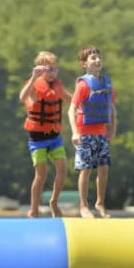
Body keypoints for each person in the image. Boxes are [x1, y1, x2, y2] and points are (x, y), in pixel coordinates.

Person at [19, 51, 72, 218]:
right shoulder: (34, 87)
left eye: (56, 69)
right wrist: (34, 77)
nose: (54, 73)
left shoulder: (57, 85)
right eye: (50, 69)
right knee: (41, 175)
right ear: (41, 70)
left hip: (54, 137)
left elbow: (70, 98)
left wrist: (85, 101)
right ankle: (33, 209)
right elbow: (23, 96)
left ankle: (54, 202)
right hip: (38, 139)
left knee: (62, 170)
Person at [68, 46, 117, 218]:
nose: (97, 60)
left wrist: (112, 131)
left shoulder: (107, 83)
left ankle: (100, 203)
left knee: (104, 168)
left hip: (101, 133)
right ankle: (83, 206)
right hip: (84, 133)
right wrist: (74, 133)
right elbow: (71, 110)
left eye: (98, 57)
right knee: (86, 169)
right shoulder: (83, 85)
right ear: (84, 64)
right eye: (93, 58)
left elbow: (111, 109)